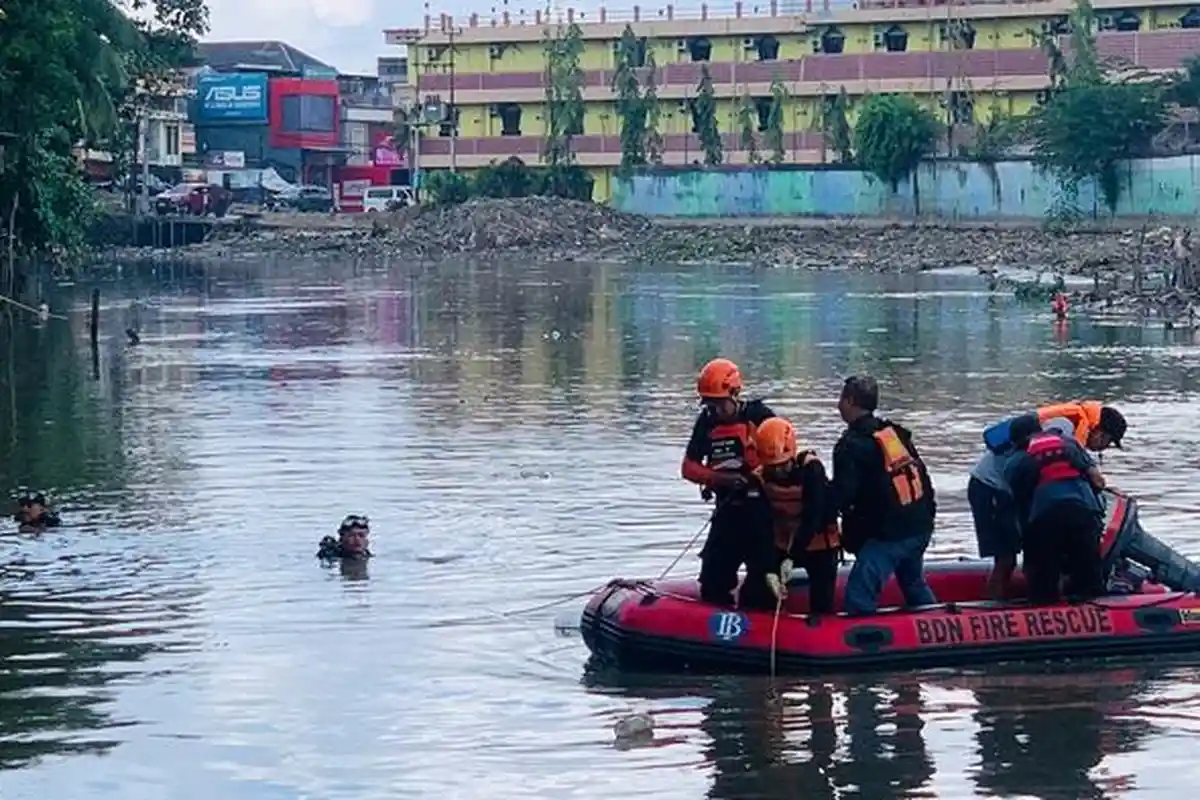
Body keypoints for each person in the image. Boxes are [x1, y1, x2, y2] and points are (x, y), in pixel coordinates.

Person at [831, 376, 937, 615]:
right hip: (919, 525)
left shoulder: (851, 446)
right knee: (913, 583)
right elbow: (921, 476)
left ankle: (861, 644)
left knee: (859, 593)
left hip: (889, 535)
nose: (838, 405)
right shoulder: (894, 434)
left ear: (849, 401)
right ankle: (934, 623)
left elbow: (842, 495)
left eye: (840, 399)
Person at [681, 357, 776, 609]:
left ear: (735, 394)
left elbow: (784, 458)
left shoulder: (760, 417)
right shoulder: (707, 422)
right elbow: (688, 467)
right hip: (727, 509)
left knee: (762, 583)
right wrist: (720, 479)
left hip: (761, 511)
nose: (715, 410)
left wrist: (756, 475)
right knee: (713, 578)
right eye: (710, 404)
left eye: (719, 404)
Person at [968, 416, 1076, 600]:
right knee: (1005, 557)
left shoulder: (1042, 443)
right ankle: (994, 605)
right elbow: (1022, 486)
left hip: (1005, 490)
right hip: (990, 490)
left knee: (1029, 546)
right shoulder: (1018, 456)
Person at [1004, 416, 1107, 604]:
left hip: (1046, 516)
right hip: (1082, 513)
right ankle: (1096, 613)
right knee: (1088, 577)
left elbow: (1021, 503)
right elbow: (1098, 481)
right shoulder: (1069, 443)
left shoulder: (1017, 460)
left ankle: (1045, 611)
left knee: (1043, 579)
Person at [751, 417, 841, 615]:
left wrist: (793, 556)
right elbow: (760, 526)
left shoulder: (812, 470)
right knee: (759, 588)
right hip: (782, 543)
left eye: (782, 465)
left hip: (819, 545)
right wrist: (768, 569)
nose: (778, 471)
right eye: (772, 467)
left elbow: (814, 515)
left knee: (822, 600)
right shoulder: (759, 479)